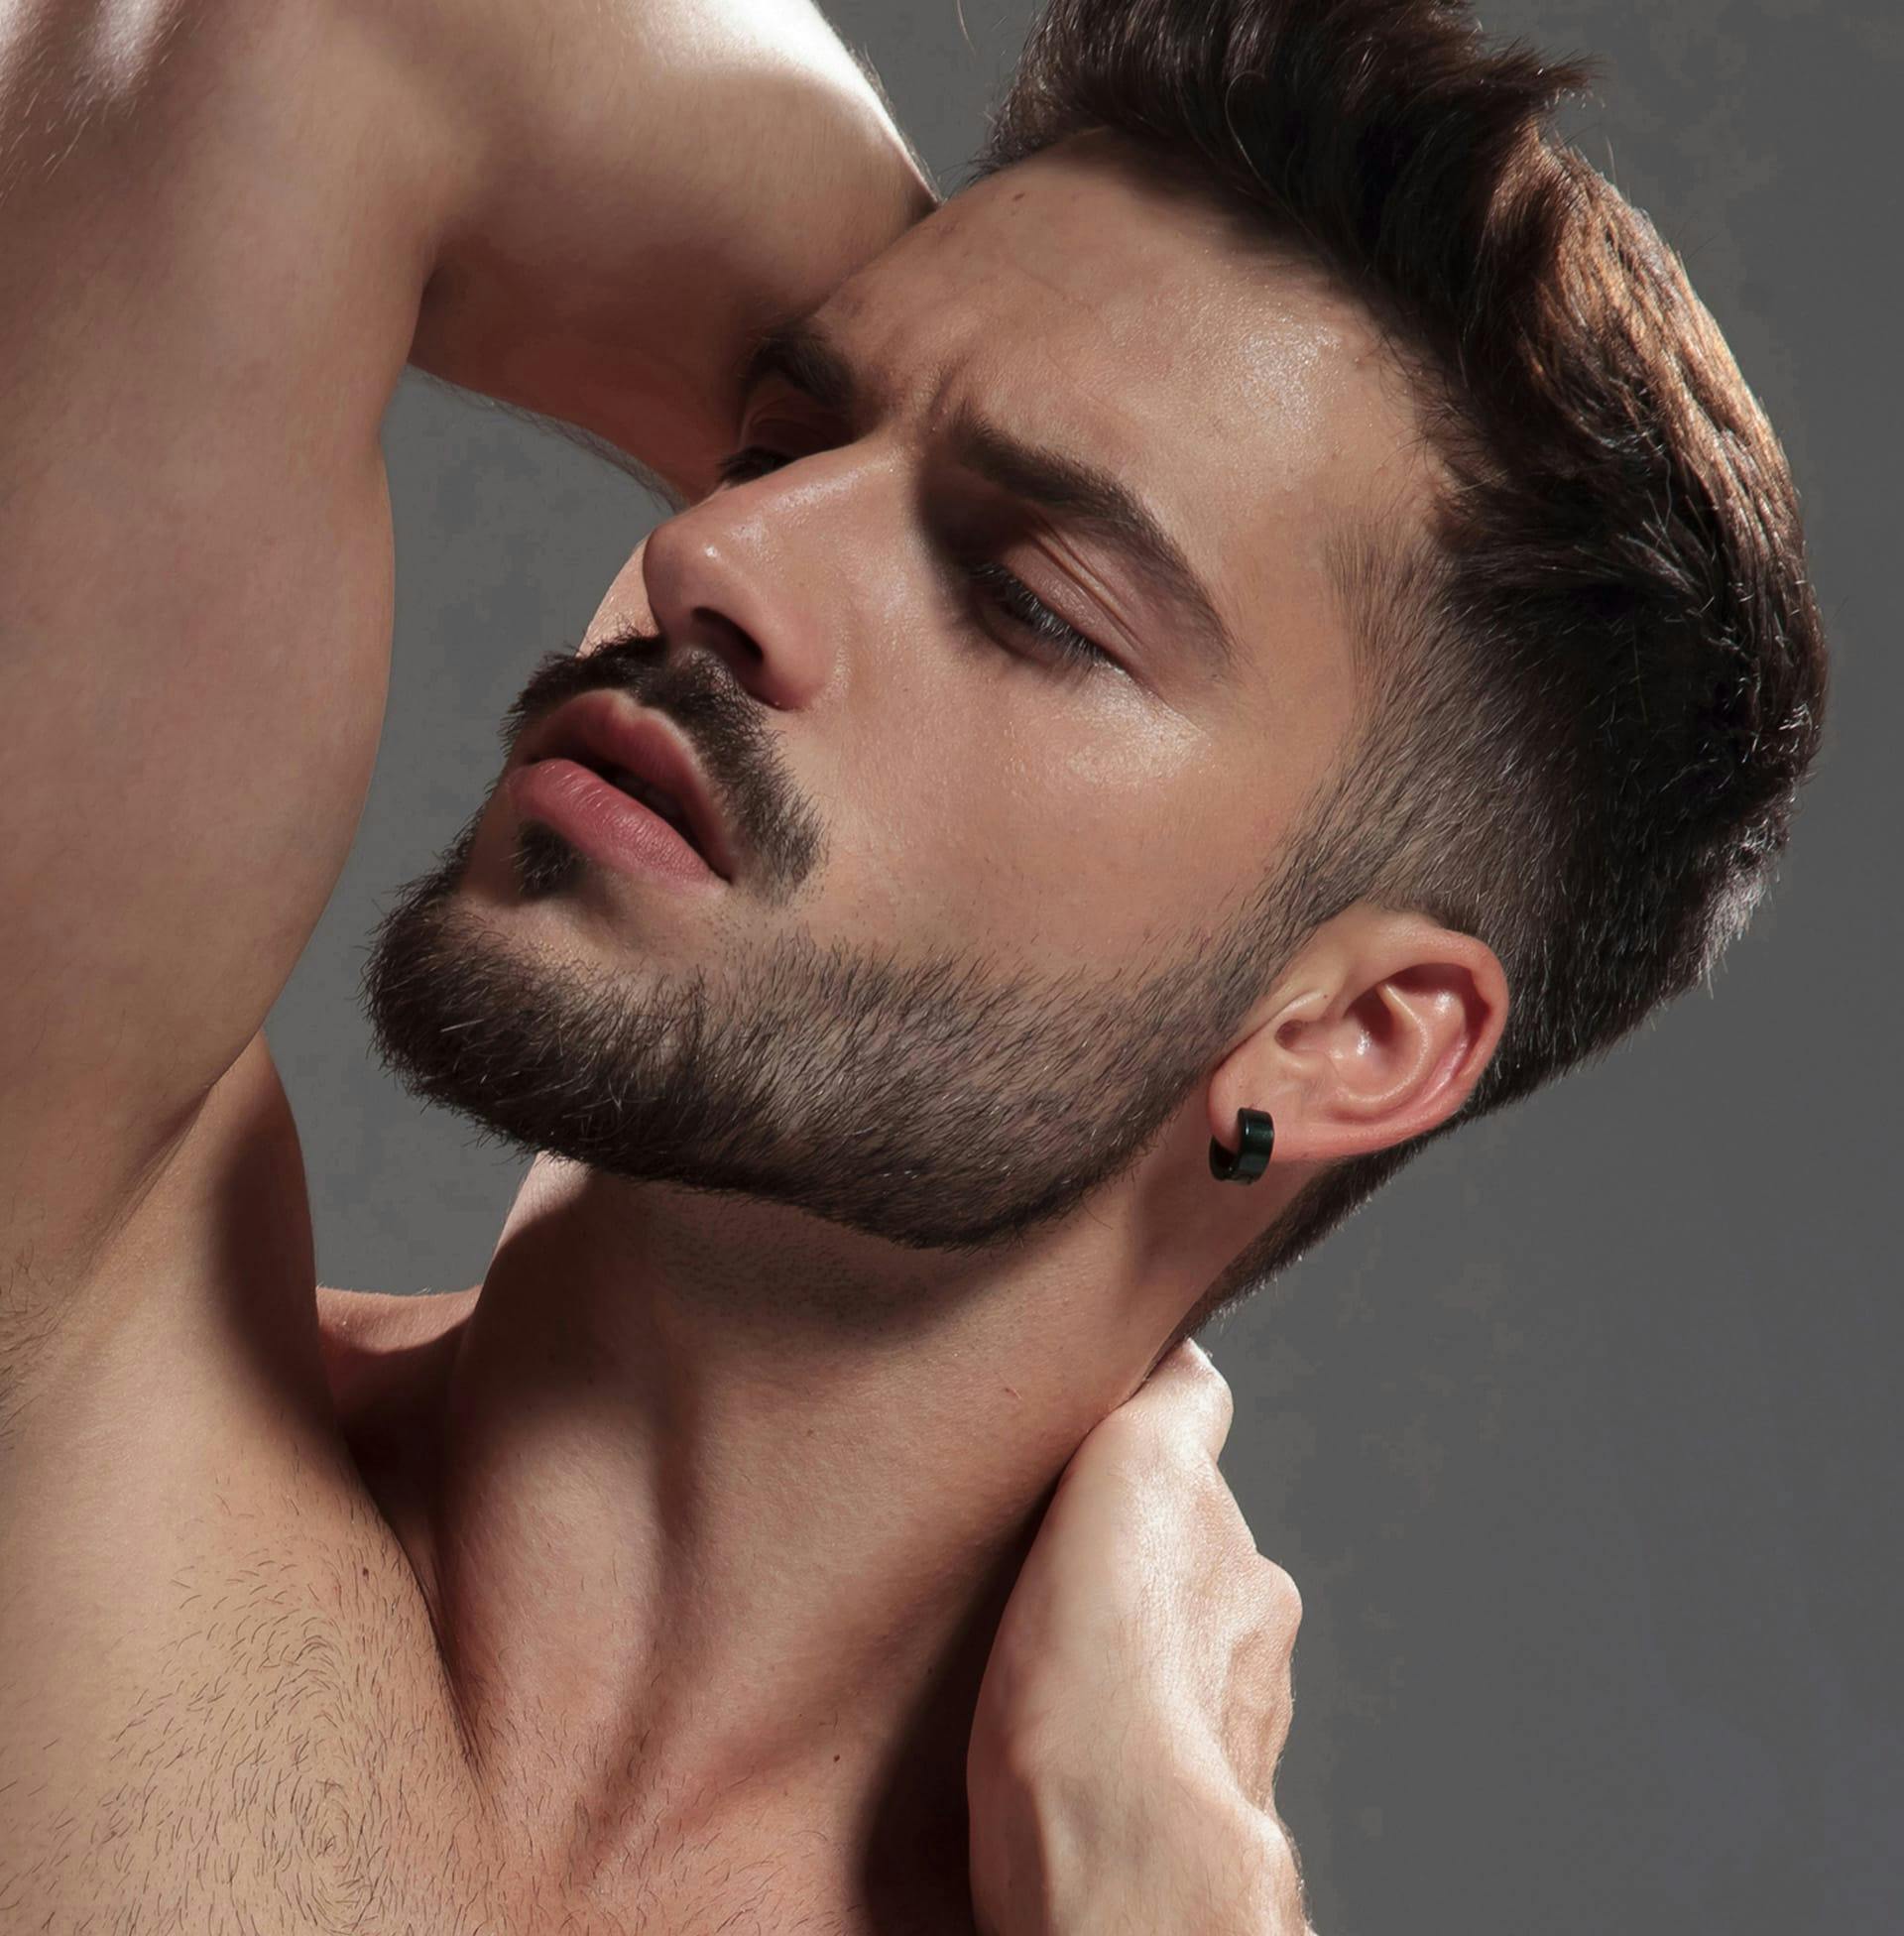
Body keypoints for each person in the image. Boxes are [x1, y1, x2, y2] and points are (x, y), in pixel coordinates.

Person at [0, 0, 1826, 1929]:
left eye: (1031, 599)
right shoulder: (58, 1321)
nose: (719, 555)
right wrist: (1009, 307)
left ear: (1351, 1031)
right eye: (775, 437)